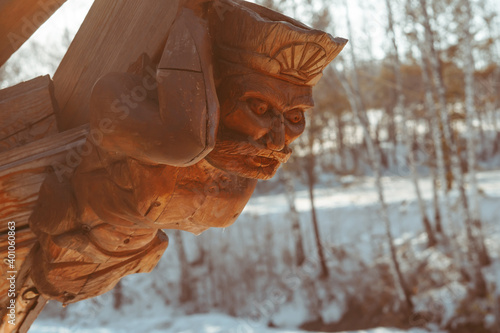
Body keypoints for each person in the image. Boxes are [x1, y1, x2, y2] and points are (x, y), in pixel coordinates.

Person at [29, 0, 347, 303]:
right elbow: (183, 141)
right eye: (259, 107)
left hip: (117, 260)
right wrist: (192, 22)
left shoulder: (242, 157)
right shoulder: (121, 100)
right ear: (214, 83)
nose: (277, 141)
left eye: (294, 118)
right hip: (74, 243)